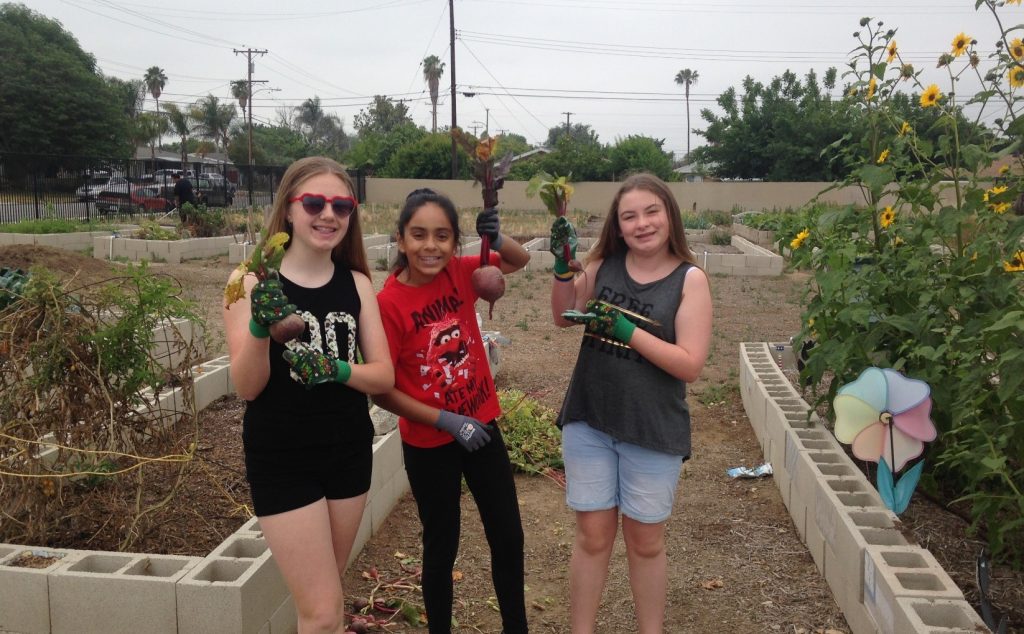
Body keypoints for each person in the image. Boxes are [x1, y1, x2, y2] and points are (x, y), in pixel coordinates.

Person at [222, 156, 394, 633]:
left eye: (342, 205)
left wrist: (335, 369)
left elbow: (383, 377)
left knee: (326, 603)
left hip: (347, 453)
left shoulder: (357, 283)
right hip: (282, 459)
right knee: (321, 612)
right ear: (289, 211)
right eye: (315, 202)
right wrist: (261, 322)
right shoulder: (251, 282)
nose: (329, 215)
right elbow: (247, 386)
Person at [549, 173, 713, 634]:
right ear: (617, 227)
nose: (642, 224)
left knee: (645, 543)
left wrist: (626, 331)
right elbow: (563, 316)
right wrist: (564, 268)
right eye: (629, 217)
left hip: (652, 429)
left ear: (669, 216)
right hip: (591, 420)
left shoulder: (690, 279)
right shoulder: (604, 265)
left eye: (651, 212)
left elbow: (689, 364)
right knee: (592, 537)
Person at [373, 188, 531, 634]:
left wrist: (497, 240)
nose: (431, 246)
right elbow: (382, 391)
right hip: (429, 443)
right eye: (419, 234)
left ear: (455, 242)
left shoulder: (461, 274)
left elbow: (521, 262)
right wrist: (444, 419)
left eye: (442, 236)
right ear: (401, 239)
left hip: (482, 427)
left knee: (508, 536)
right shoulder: (388, 305)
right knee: (442, 545)